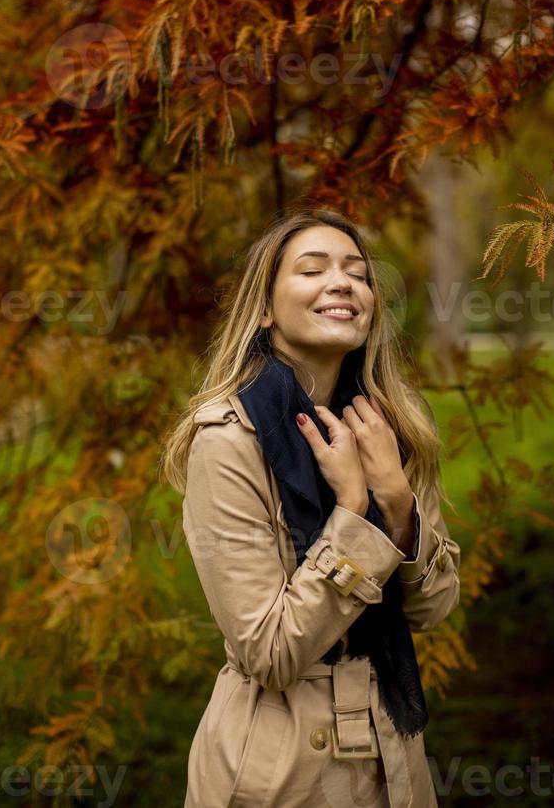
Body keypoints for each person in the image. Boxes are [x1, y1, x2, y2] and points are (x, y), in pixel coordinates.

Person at [160, 208, 461, 808]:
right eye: (313, 269)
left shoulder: (388, 427)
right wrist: (353, 509)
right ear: (266, 308)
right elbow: (271, 653)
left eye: (357, 271)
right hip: (279, 762)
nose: (343, 282)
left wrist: (395, 499)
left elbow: (433, 608)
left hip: (395, 754)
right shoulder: (227, 439)